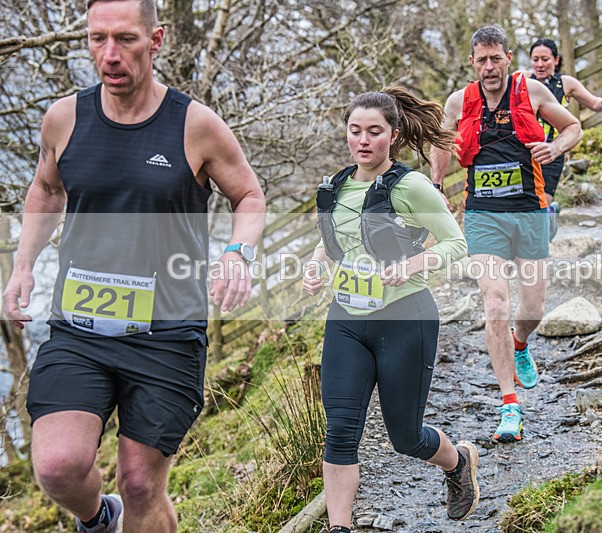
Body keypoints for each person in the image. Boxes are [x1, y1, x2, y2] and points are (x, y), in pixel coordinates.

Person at [0, 0, 265, 531]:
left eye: (125, 39)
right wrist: (23, 266)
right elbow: (46, 190)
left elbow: (250, 196)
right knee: (57, 466)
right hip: (79, 325)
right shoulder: (65, 117)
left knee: (142, 483)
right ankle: (99, 518)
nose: (110, 54)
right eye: (98, 39)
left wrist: (238, 254)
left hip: (166, 331)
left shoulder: (194, 125)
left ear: (157, 39)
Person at [303, 87, 477, 532]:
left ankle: (457, 462)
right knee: (340, 431)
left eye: (374, 132)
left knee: (405, 438)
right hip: (346, 319)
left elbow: (458, 243)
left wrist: (416, 262)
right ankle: (339, 527)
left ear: (393, 136)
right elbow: (334, 240)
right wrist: (315, 266)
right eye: (355, 130)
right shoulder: (336, 186)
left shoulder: (411, 186)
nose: (363, 140)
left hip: (405, 318)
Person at [431, 26, 582, 444]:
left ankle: (520, 344)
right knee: (495, 302)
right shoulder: (460, 101)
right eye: (482, 59)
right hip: (483, 214)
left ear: (508, 57)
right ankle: (509, 404)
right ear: (473, 62)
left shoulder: (531, 91)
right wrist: (437, 184)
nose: (489, 66)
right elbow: (442, 142)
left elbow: (573, 127)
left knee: (532, 305)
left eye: (496, 58)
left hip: (530, 211)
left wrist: (556, 148)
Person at [522, 38, 602, 240]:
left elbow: (593, 103)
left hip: (553, 151)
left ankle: (547, 217)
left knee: (541, 202)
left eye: (545, 59)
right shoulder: (522, 79)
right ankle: (543, 224)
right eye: (535, 59)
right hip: (526, 150)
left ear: (556, 60)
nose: (540, 64)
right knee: (526, 204)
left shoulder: (566, 83)